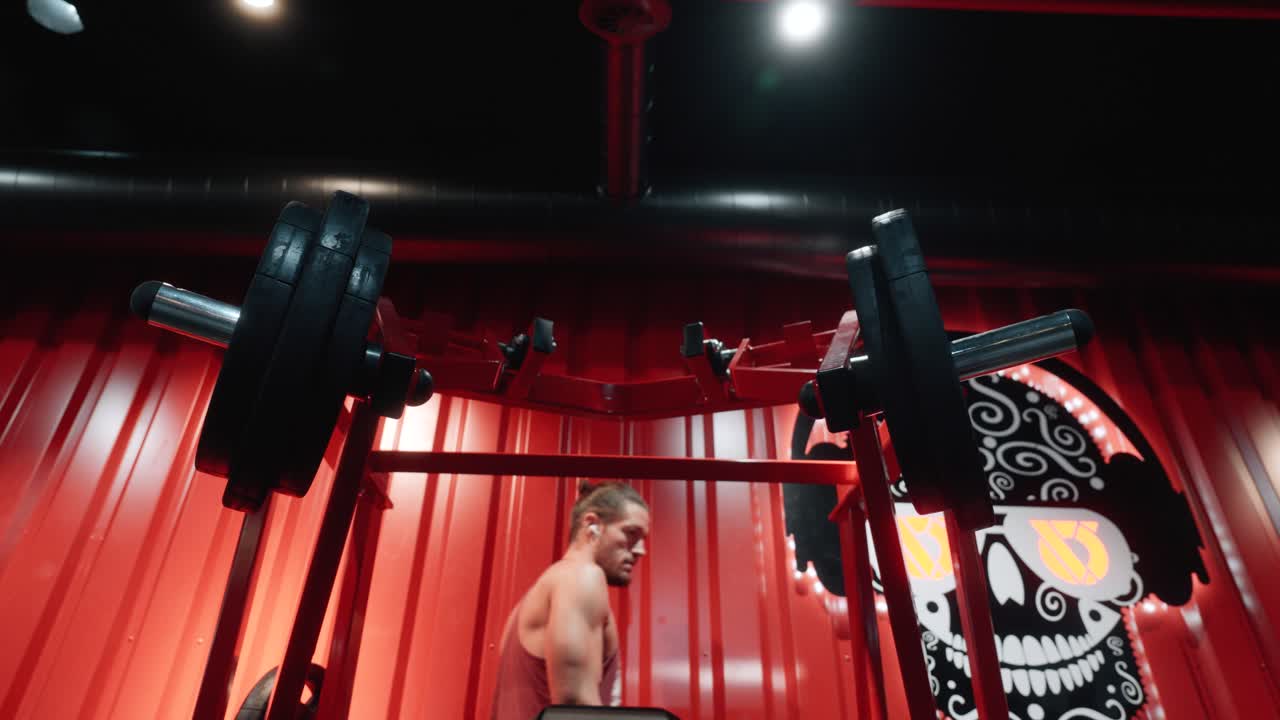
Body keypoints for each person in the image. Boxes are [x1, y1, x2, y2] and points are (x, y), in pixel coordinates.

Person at [489, 481, 651, 720]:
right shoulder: (582, 577)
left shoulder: (532, 600)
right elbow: (575, 707)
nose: (640, 550)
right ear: (592, 525)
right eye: (630, 533)